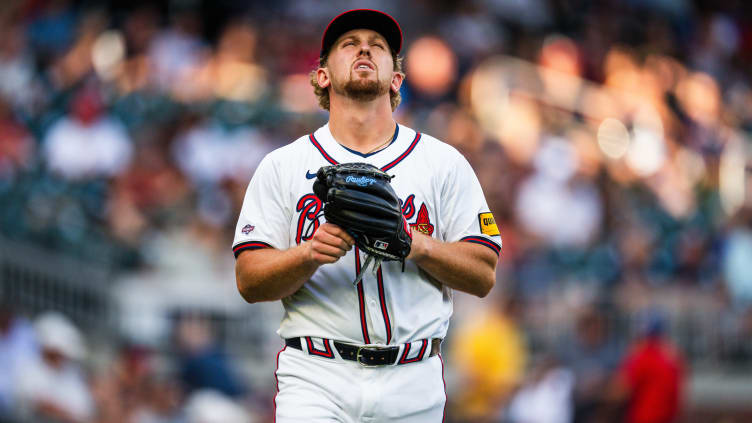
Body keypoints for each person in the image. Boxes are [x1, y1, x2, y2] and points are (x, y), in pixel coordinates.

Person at [233, 9, 501, 422]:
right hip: (317, 374)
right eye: (348, 43)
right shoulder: (282, 166)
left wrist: (417, 244)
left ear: (396, 79)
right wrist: (307, 254)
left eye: (378, 46)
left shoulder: (444, 163)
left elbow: (484, 274)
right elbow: (249, 279)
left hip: (413, 379)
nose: (364, 48)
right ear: (322, 75)